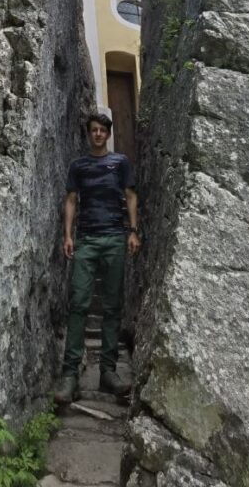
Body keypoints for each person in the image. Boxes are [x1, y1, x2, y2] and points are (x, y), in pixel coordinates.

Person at [53, 112, 140, 404]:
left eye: (103, 130)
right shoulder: (78, 166)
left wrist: (133, 231)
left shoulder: (120, 163)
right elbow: (71, 200)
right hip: (87, 240)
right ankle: (70, 374)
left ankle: (108, 372)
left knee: (112, 306)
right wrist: (68, 235)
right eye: (94, 130)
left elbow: (130, 196)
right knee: (78, 302)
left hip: (115, 237)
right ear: (89, 134)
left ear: (108, 133)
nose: (98, 134)